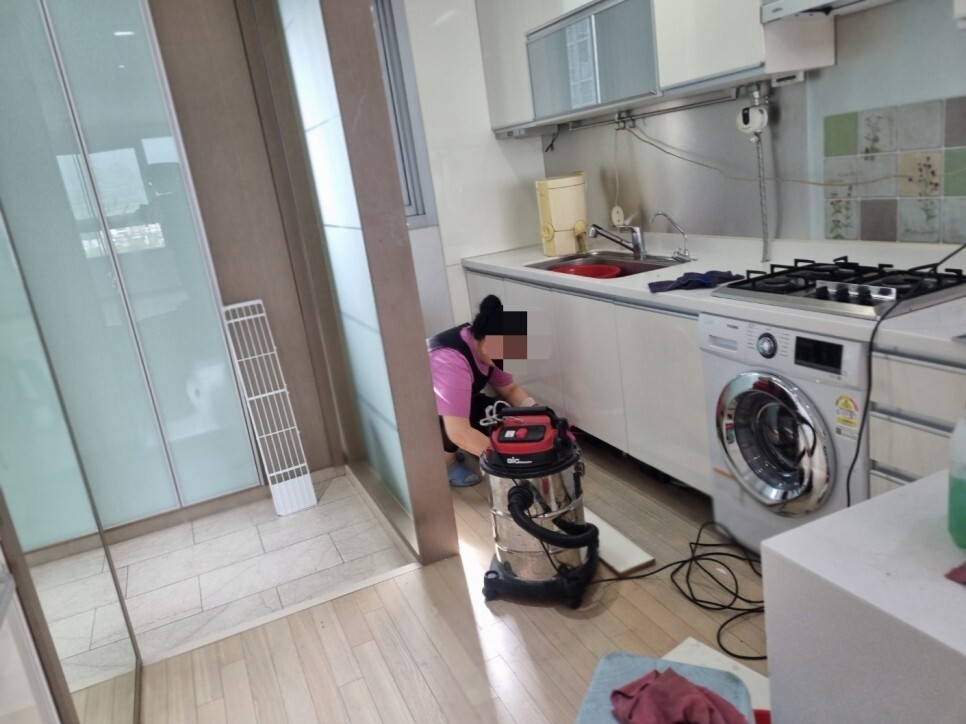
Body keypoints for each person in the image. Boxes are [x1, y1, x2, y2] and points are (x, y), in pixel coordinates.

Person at [427, 295, 537, 486]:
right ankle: (446, 463)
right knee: (455, 422)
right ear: (488, 346)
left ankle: (449, 450)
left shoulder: (483, 343)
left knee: (499, 412)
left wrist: (539, 414)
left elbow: (510, 390)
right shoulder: (450, 361)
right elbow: (458, 431)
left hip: (449, 403)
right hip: (415, 410)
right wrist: (509, 464)